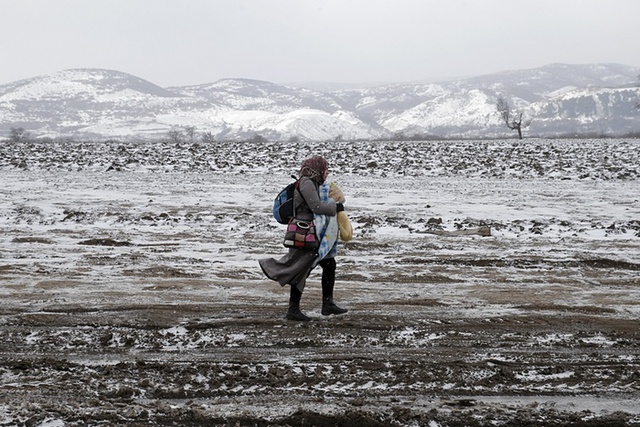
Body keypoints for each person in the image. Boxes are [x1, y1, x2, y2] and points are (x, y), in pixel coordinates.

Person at [259, 155, 348, 321]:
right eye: (325, 170)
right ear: (317, 170)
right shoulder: (307, 182)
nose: (327, 173)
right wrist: (335, 207)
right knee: (301, 269)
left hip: (310, 232)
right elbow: (316, 206)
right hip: (303, 233)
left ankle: (327, 304)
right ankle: (293, 308)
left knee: (329, 264)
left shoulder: (313, 183)